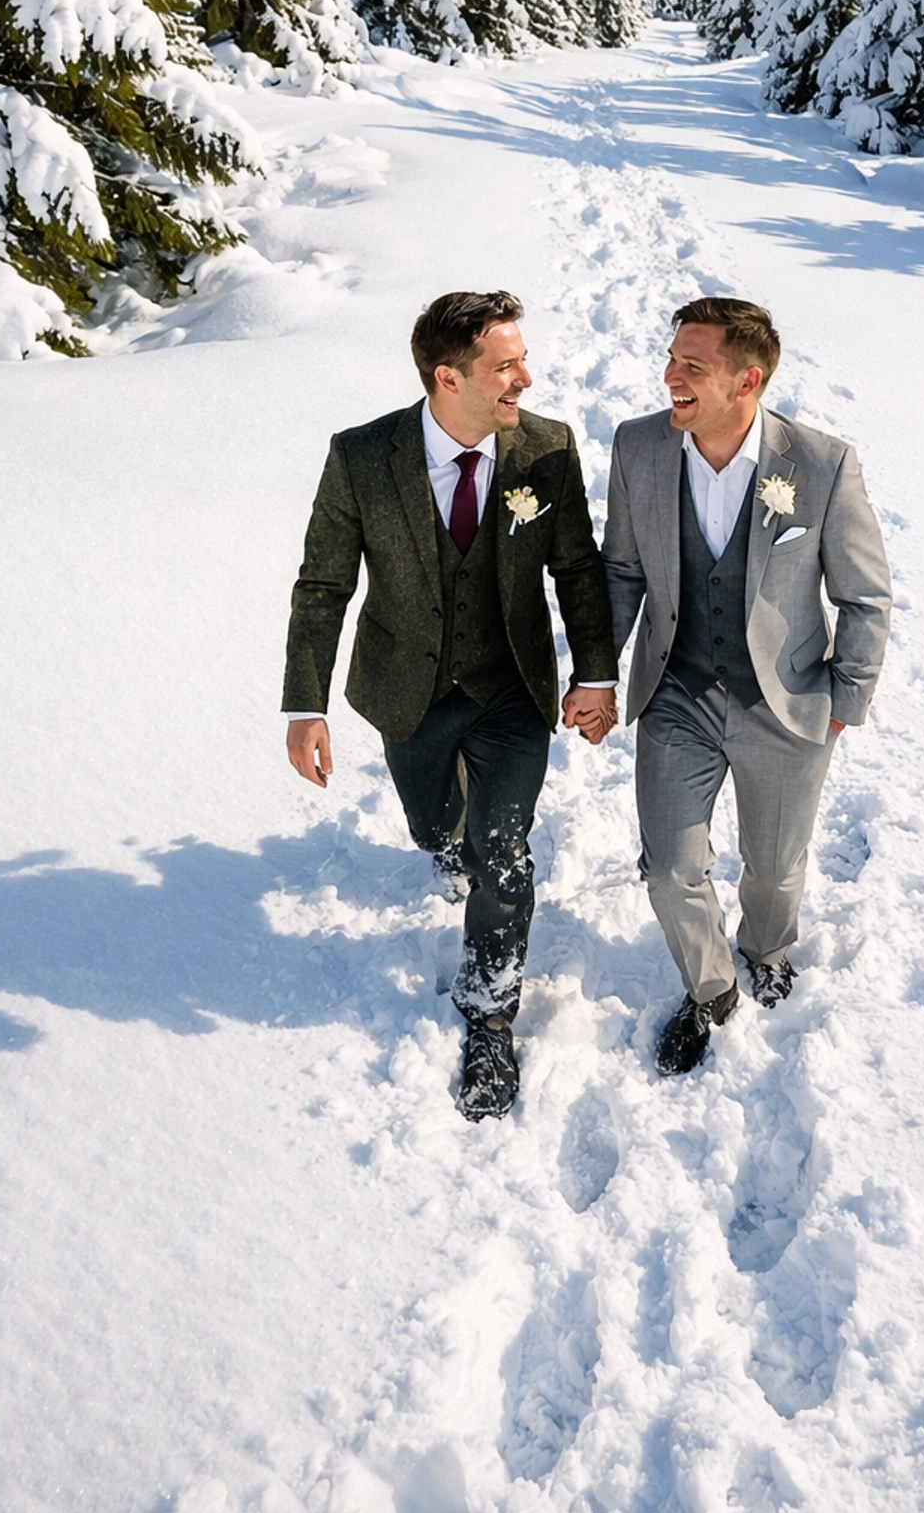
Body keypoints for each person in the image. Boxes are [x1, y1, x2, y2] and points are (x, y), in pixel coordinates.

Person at [282, 290, 618, 1120]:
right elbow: (324, 584)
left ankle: (490, 1013)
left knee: (502, 851)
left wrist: (595, 674)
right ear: (447, 377)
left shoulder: (545, 450)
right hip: (410, 691)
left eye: (521, 361)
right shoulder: (362, 457)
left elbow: (575, 569)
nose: (525, 380)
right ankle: (445, 838)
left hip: (511, 689)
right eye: (506, 367)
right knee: (441, 831)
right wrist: (305, 705)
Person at [603, 297, 892, 1075]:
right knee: (670, 867)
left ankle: (766, 949)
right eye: (671, 359)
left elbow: (865, 597)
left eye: (691, 366)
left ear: (748, 380)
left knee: (774, 868)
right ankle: (711, 991)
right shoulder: (639, 448)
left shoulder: (823, 465)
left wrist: (843, 703)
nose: (671, 377)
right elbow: (623, 570)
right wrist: (599, 672)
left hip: (789, 705)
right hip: (678, 694)